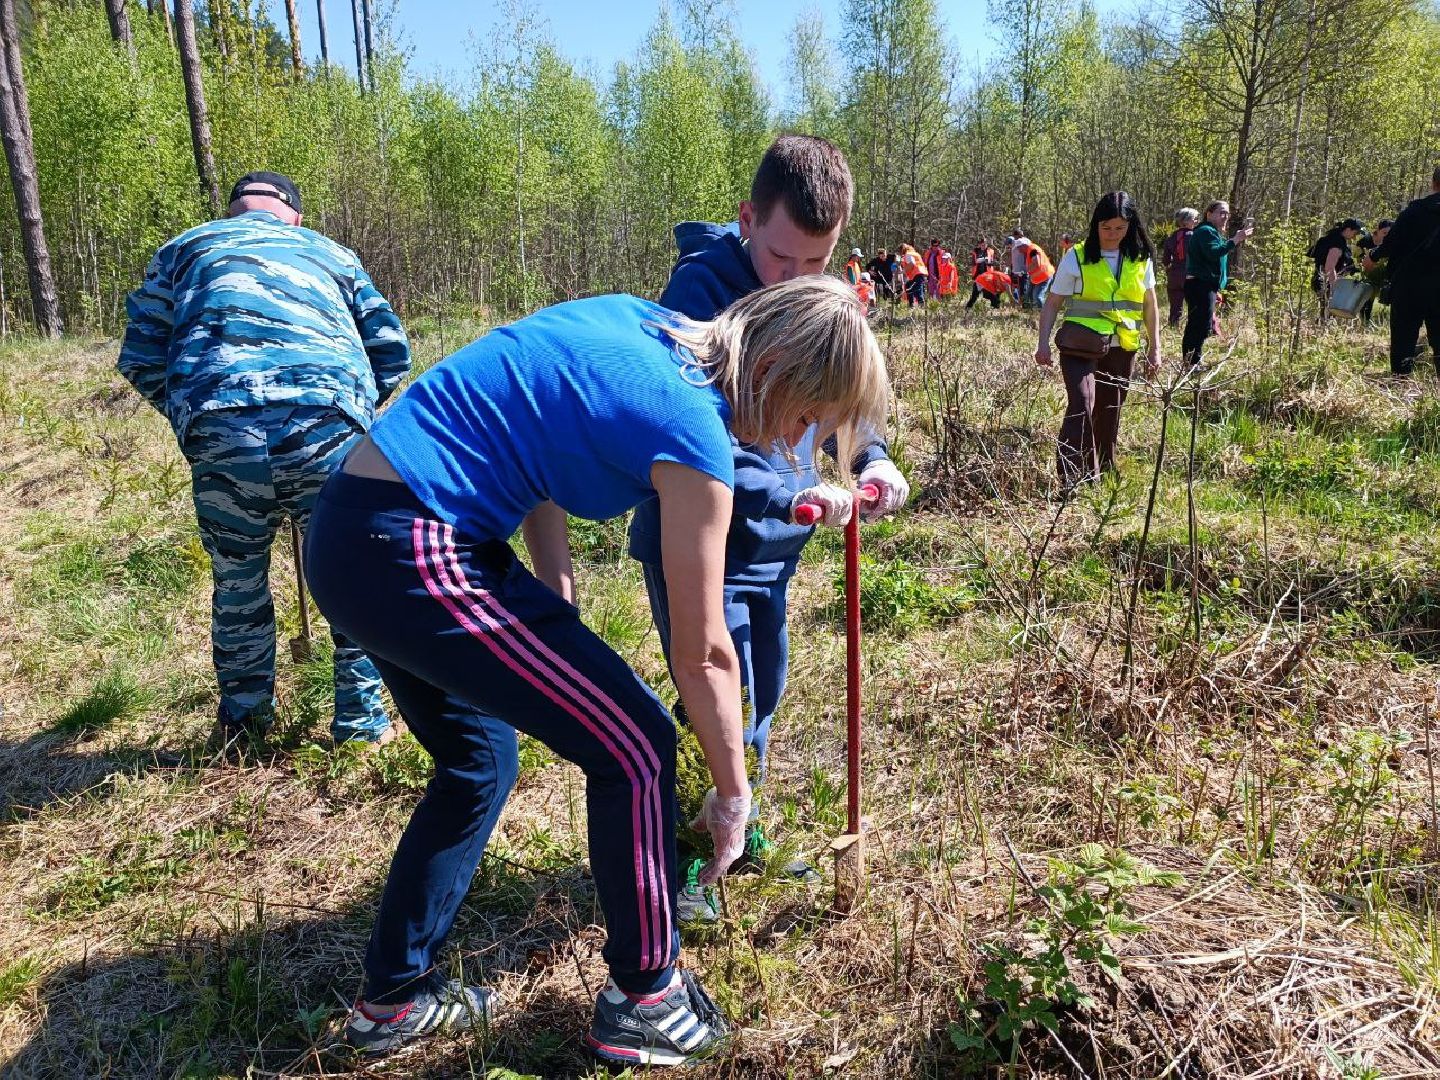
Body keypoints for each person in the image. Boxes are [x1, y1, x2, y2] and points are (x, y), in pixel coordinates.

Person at [305, 277, 891, 1065]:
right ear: (776, 365)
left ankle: (391, 1002)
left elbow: (532, 428)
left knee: (479, 762)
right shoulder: (693, 433)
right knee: (639, 744)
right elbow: (705, 651)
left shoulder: (637, 324)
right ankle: (646, 998)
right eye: (804, 416)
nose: (796, 442)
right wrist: (731, 794)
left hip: (354, 527)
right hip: (412, 543)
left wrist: (555, 595)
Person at [627, 135, 910, 921]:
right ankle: (686, 859)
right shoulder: (698, 293)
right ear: (748, 219)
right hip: (702, 541)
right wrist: (788, 496)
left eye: (816, 264)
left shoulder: (825, 293)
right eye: (781, 259)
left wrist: (870, 461)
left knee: (766, 690)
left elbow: (845, 396)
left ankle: (735, 830)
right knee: (716, 688)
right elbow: (689, 436)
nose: (795, 280)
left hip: (778, 545)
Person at [117, 171, 409, 747]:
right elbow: (391, 351)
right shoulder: (331, 252)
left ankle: (244, 724)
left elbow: (141, 354)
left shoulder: (185, 248)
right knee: (351, 573)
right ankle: (362, 727)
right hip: (325, 420)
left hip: (222, 424)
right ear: (293, 215)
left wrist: (195, 414)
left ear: (232, 212)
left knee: (238, 577)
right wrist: (350, 412)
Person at [1034, 191, 1161, 487]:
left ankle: (1102, 471)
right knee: (1082, 402)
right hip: (1080, 344)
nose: (1112, 235)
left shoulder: (1140, 259)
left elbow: (1150, 305)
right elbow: (1053, 302)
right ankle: (1071, 477)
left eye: (1119, 228)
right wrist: (1042, 342)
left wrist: (1155, 348)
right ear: (1095, 225)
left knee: (1109, 412)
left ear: (1131, 226)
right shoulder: (1077, 256)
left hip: (1122, 347)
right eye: (1106, 228)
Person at [1366, 165, 1440, 376]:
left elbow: (1391, 243)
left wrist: (1373, 256)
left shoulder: (1413, 211)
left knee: (1403, 341)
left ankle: (1401, 389)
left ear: (1433, 183)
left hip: (1409, 288)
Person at [1181, 200, 1253, 366]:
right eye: (1221, 212)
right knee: (1199, 325)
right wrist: (1235, 240)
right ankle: (1192, 362)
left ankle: (1191, 361)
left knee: (1201, 324)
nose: (1225, 216)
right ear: (1209, 214)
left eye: (1227, 213)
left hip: (1206, 285)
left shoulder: (1213, 233)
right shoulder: (1206, 231)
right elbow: (1213, 253)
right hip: (1199, 285)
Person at [1311, 217, 1364, 311]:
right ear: (1348, 229)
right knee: (1329, 314)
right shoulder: (1337, 242)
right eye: (1355, 232)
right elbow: (1329, 268)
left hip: (1321, 281)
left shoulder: (1332, 238)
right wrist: (1334, 290)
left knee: (1327, 313)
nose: (1355, 236)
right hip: (1326, 283)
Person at [1161, 208, 1199, 327]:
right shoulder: (1195, 236)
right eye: (1195, 219)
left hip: (1174, 275)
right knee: (1196, 305)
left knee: (1175, 306)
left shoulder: (1171, 238)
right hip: (1190, 275)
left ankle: (1173, 326)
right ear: (1186, 221)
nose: (1197, 221)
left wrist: (1169, 271)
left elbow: (1165, 260)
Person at [1357, 219, 1392, 325]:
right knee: (1367, 297)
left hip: (1384, 274)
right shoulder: (1365, 241)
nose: (1387, 236)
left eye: (1389, 233)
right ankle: (1365, 321)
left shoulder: (1392, 243)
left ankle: (1384, 321)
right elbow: (1357, 259)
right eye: (1384, 233)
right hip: (1367, 274)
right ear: (1378, 230)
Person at [966, 238, 996, 309]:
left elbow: (993, 262)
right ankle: (968, 307)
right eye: (982, 244)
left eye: (985, 244)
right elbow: (973, 263)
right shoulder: (975, 251)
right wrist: (978, 261)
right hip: (978, 276)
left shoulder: (991, 251)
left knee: (990, 292)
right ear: (979, 244)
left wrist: (988, 262)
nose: (983, 245)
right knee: (975, 293)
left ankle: (994, 306)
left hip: (987, 275)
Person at [1025, 240, 1054, 307]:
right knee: (1034, 295)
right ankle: (1037, 311)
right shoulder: (1031, 250)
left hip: (1045, 275)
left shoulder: (1032, 250)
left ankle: (1043, 312)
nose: (1019, 250)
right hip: (1041, 276)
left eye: (1019, 248)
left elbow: (1036, 262)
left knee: (1038, 296)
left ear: (1024, 246)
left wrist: (1028, 269)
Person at [1008, 229, 1031, 304]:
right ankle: (1020, 303)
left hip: (1020, 270)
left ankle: (1024, 304)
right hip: (1020, 269)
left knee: (1021, 288)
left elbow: (1008, 241)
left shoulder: (1019, 241)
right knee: (1021, 287)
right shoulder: (1027, 241)